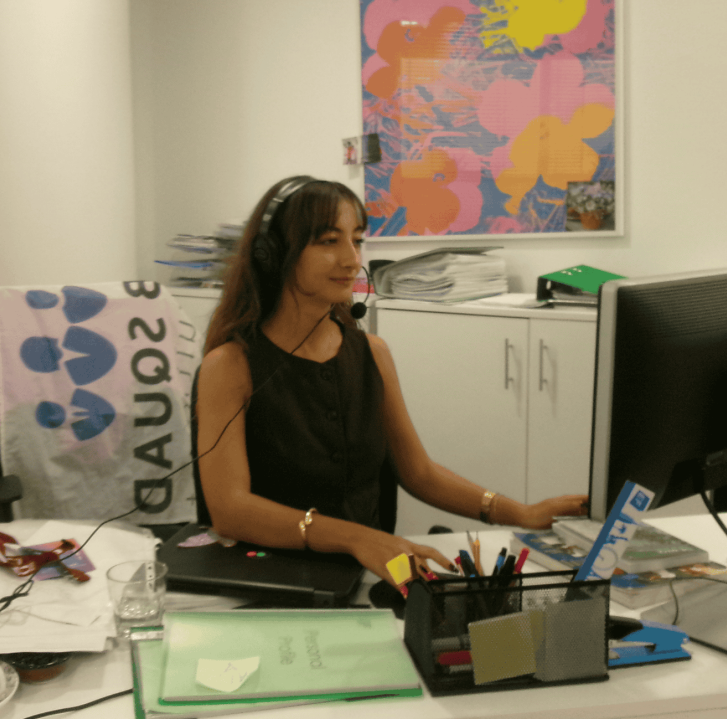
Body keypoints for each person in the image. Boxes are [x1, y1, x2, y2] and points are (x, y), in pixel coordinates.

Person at [195, 176, 588, 586]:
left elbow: (418, 473)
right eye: (329, 241)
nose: (351, 259)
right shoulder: (231, 365)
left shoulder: (372, 353)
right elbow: (229, 510)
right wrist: (357, 538)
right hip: (269, 580)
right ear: (273, 253)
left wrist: (520, 512)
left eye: (357, 240)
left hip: (369, 571)